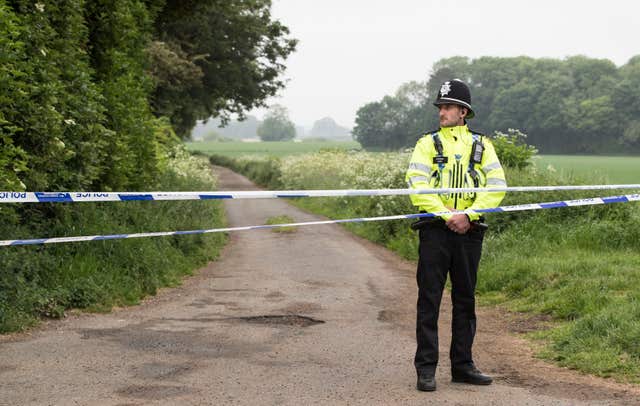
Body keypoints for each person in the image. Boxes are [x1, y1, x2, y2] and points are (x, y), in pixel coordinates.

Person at [405, 79, 506, 392]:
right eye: (440, 107)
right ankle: (426, 370)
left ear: (463, 112)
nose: (442, 112)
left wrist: (469, 215)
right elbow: (417, 186)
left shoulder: (482, 145)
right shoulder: (426, 144)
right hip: (435, 231)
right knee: (429, 300)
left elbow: (497, 185)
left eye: (447, 107)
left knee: (465, 299)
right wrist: (447, 214)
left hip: (469, 232)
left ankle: (463, 366)